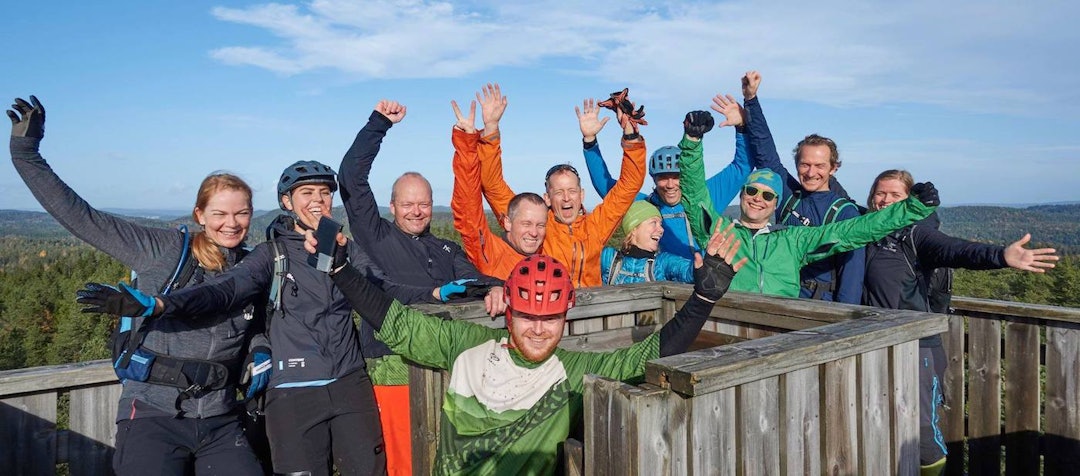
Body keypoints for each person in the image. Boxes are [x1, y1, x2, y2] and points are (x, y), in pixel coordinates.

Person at [316, 221, 747, 475]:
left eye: (550, 319)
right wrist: (338, 269)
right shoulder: (466, 345)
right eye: (527, 316)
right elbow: (398, 322)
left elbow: (645, 355)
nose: (538, 331)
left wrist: (703, 300)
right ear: (507, 314)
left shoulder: (573, 370)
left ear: (565, 317)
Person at [78, 160, 397, 475]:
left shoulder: (343, 247)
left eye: (325, 192)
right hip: (196, 406)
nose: (317, 199)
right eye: (306, 192)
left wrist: (437, 294)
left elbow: (385, 290)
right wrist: (160, 305)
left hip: (330, 386)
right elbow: (222, 292)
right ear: (286, 202)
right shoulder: (267, 255)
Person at [9, 96, 267, 475]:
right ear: (199, 215)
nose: (231, 223)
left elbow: (259, 325)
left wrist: (260, 351)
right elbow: (81, 217)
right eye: (220, 213)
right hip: (152, 414)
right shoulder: (162, 251)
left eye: (242, 213)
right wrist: (25, 153)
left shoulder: (251, 267)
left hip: (221, 417)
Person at [337, 99, 505, 476]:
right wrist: (378, 124)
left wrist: (497, 288)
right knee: (401, 460)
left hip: (447, 366)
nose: (416, 212)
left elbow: (473, 280)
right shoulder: (376, 235)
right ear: (392, 207)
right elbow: (350, 177)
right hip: (392, 365)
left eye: (424, 204)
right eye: (408, 204)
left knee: (443, 458)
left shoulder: (445, 248)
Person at [862, 169, 1059, 475]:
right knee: (878, 419)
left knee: (921, 429)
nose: (885, 200)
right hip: (873, 342)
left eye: (895, 194)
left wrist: (1001, 256)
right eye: (880, 193)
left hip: (917, 346)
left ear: (910, 201)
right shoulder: (865, 229)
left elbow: (955, 249)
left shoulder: (916, 234)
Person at [682, 159, 942, 297]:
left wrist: (911, 208)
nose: (757, 198)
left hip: (781, 329)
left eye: (768, 195)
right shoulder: (721, 232)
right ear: (742, 195)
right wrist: (692, 144)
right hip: (730, 325)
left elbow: (852, 232)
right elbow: (696, 199)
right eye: (751, 190)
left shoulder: (792, 239)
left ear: (776, 205)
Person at [477, 93, 647, 288]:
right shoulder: (538, 226)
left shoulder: (596, 226)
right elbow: (491, 185)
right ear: (547, 198)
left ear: (581, 194)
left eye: (572, 191)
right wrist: (491, 130)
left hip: (591, 313)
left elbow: (629, 185)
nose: (567, 198)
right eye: (558, 192)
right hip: (548, 313)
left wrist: (630, 134)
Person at [741, 71, 866, 305]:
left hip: (821, 305)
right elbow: (765, 152)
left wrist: (842, 323)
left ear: (833, 168)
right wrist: (751, 100)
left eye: (819, 165)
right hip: (782, 297)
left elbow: (852, 274)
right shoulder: (791, 196)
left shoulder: (844, 212)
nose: (810, 172)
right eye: (804, 164)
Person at [584, 101, 750, 260]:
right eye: (663, 178)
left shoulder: (708, 194)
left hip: (703, 282)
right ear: (654, 179)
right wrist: (590, 142)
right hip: (660, 285)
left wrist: (741, 127)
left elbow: (742, 167)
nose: (670, 185)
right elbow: (604, 184)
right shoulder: (645, 206)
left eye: (677, 177)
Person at [451, 84, 548, 279]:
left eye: (540, 225)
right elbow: (469, 207)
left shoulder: (547, 256)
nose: (534, 232)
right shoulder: (490, 253)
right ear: (507, 222)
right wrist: (469, 142)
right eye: (527, 223)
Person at [601, 201, 695, 284]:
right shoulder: (609, 259)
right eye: (654, 223)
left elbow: (687, 272)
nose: (661, 229)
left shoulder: (662, 263)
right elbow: (588, 252)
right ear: (634, 229)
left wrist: (703, 265)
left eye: (660, 224)